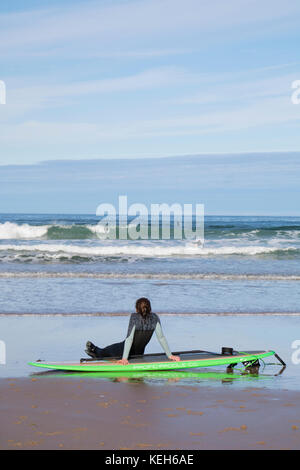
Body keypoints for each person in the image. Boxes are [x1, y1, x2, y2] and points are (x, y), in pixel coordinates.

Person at [85, 297, 180, 365]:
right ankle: (94, 350)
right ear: (150, 308)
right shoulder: (155, 317)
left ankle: (95, 350)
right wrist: (170, 355)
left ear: (136, 309)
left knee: (105, 351)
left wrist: (124, 359)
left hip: (123, 351)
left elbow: (129, 339)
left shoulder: (134, 317)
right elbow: (161, 337)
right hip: (138, 354)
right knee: (106, 351)